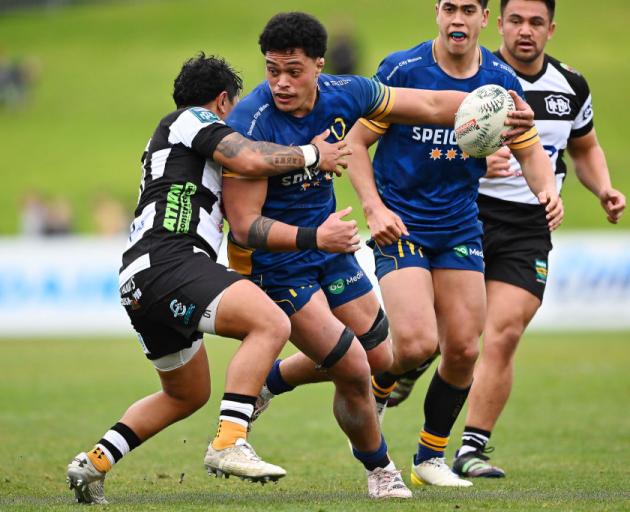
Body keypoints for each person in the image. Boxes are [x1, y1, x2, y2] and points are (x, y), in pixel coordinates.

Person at [222, 12, 534, 499]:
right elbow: (246, 226)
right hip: (280, 259)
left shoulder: (347, 93)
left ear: (318, 67)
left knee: (383, 357)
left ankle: (272, 379)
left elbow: (430, 103)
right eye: (272, 70)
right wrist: (318, 232)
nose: (282, 83)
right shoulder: (250, 122)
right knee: (352, 366)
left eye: (294, 71)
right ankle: (380, 468)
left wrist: (495, 109)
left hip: (332, 248)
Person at [65, 52, 350, 505]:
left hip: (141, 277)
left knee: (186, 394)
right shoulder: (190, 120)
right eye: (232, 109)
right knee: (272, 323)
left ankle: (94, 462)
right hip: (170, 261)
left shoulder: (174, 141)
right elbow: (250, 158)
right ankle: (229, 441)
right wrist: (313, 154)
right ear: (221, 103)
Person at [344, 0, 563, 487]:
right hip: (401, 224)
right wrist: (374, 209)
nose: (457, 19)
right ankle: (375, 387)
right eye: (449, 8)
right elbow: (355, 143)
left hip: (460, 225)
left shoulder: (502, 83)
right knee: (419, 342)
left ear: (486, 19)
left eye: (468, 9)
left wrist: (545, 188)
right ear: (437, 13)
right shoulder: (403, 69)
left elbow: (529, 151)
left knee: (463, 349)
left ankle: (430, 457)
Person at [449, 0, 626, 478]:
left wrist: (603, 188)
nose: (525, 31)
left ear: (551, 28)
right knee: (453, 339)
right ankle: (403, 372)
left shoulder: (570, 85)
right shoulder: (471, 76)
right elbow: (427, 145)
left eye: (536, 23)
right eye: (516, 21)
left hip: (530, 224)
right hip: (467, 214)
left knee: (503, 333)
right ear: (498, 23)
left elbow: (584, 147)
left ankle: (471, 449)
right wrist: (475, 159)